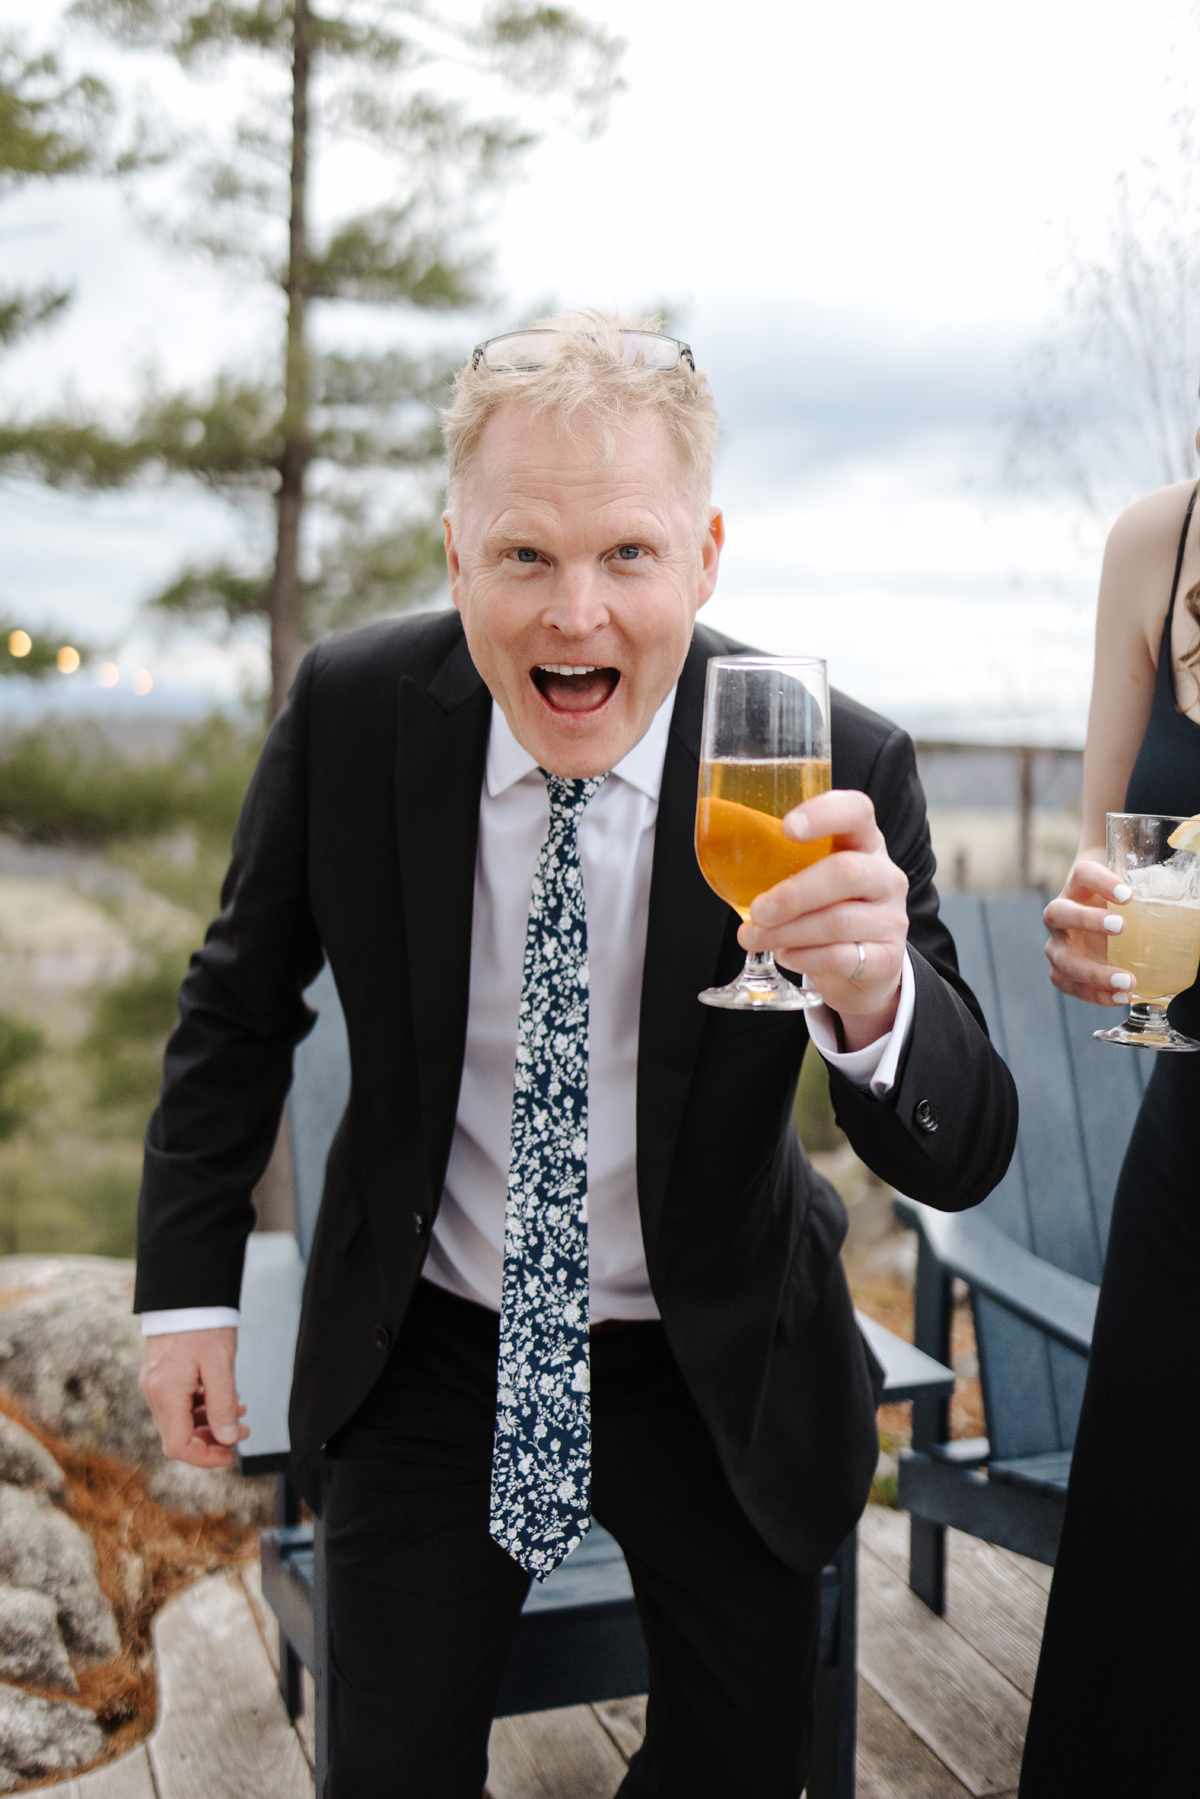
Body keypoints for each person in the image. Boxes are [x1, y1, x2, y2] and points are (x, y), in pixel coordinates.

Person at [133, 311, 1017, 1799]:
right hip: (429, 1337)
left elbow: (965, 1150)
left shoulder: (830, 761)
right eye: (526, 556)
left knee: (737, 1771)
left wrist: (878, 1002)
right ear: (455, 556)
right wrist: (185, 1296)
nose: (576, 614)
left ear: (705, 557)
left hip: (716, 1347)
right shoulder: (351, 714)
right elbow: (233, 1010)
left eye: (628, 554)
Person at [1023, 477, 1200, 1797]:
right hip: (1189, 1170)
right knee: (1142, 1626)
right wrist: (1092, 931)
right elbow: (1108, 860)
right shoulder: (1160, 542)